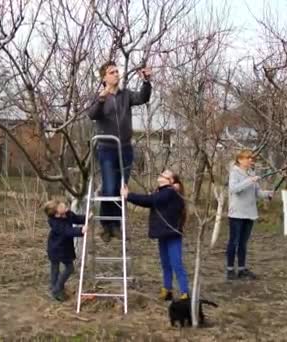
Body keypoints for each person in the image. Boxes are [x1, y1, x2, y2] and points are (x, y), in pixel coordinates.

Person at [88, 61, 152, 242]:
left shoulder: (126, 95)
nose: (116, 74)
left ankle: (115, 226)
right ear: (104, 77)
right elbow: (92, 114)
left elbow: (143, 98)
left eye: (117, 71)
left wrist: (146, 82)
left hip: (124, 149)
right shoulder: (99, 96)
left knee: (120, 189)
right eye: (112, 72)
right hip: (107, 149)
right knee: (108, 188)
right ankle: (106, 225)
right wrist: (101, 100)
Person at [121, 169, 190, 301]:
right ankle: (167, 290)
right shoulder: (163, 191)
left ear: (171, 181)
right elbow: (152, 199)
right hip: (164, 233)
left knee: (176, 264)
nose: (160, 174)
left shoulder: (170, 192)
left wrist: (129, 195)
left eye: (164, 174)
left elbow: (150, 200)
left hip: (172, 233)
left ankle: (185, 293)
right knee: (165, 263)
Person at [226, 150, 274, 281]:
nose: (251, 160)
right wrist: (250, 180)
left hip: (250, 214)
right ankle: (230, 270)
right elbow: (234, 189)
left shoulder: (251, 173)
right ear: (240, 159)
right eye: (248, 158)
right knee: (233, 242)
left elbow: (257, 192)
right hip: (237, 214)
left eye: (252, 158)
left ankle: (242, 269)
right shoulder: (234, 172)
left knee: (243, 243)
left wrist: (267, 194)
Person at [44, 199, 88, 301]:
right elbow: (67, 231)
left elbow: (76, 218)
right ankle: (56, 289)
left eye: (61, 203)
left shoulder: (68, 214)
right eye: (60, 206)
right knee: (67, 268)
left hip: (65, 248)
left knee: (57, 269)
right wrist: (81, 230)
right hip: (56, 249)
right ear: (56, 214)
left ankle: (56, 288)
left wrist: (86, 218)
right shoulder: (55, 223)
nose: (63, 205)